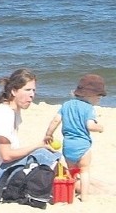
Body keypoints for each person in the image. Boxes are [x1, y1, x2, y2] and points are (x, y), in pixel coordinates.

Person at [0, 68, 59, 193]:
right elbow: (7, 155)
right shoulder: (3, 113)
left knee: (43, 157)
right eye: (27, 90)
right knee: (43, 155)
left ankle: (65, 184)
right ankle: (65, 186)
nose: (32, 95)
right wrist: (38, 145)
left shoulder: (11, 111)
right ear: (13, 91)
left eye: (34, 90)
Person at [44, 73, 106, 202]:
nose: (99, 99)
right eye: (98, 97)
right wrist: (100, 128)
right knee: (84, 171)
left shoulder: (66, 105)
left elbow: (55, 121)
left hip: (68, 145)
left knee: (72, 171)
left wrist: (48, 134)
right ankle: (84, 196)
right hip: (83, 145)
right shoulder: (89, 108)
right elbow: (89, 126)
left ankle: (70, 194)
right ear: (90, 95)